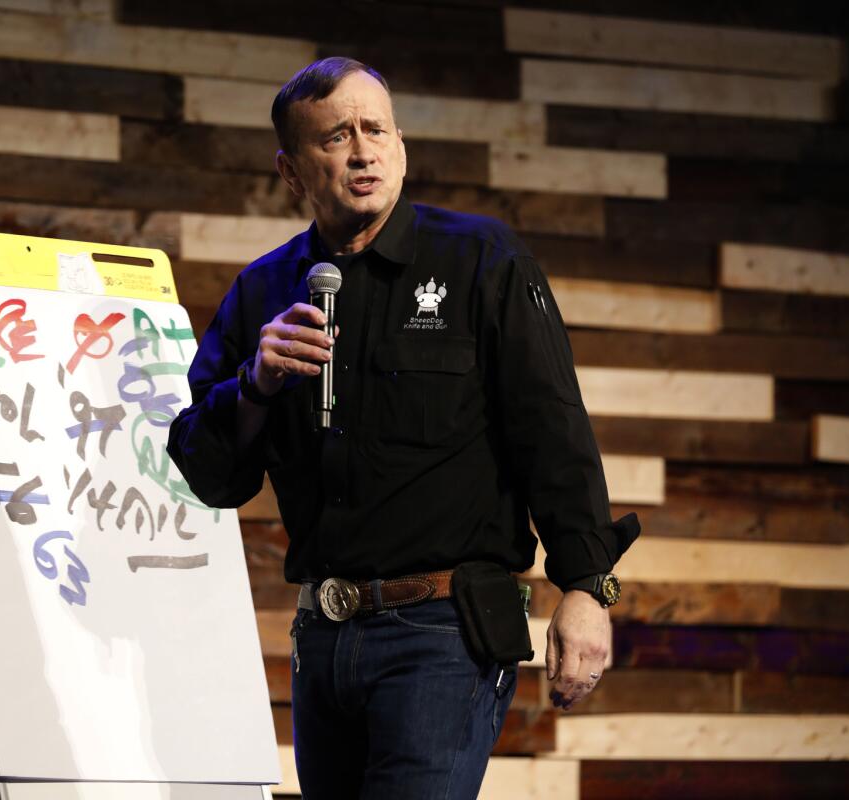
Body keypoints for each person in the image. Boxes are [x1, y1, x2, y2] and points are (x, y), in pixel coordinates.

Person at [166, 57, 639, 799]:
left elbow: (553, 431)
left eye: (375, 129)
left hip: (442, 635)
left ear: (401, 144)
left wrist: (585, 588)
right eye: (336, 137)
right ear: (291, 171)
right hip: (322, 637)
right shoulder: (264, 290)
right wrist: (255, 386)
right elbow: (211, 476)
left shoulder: (483, 260)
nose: (363, 152)